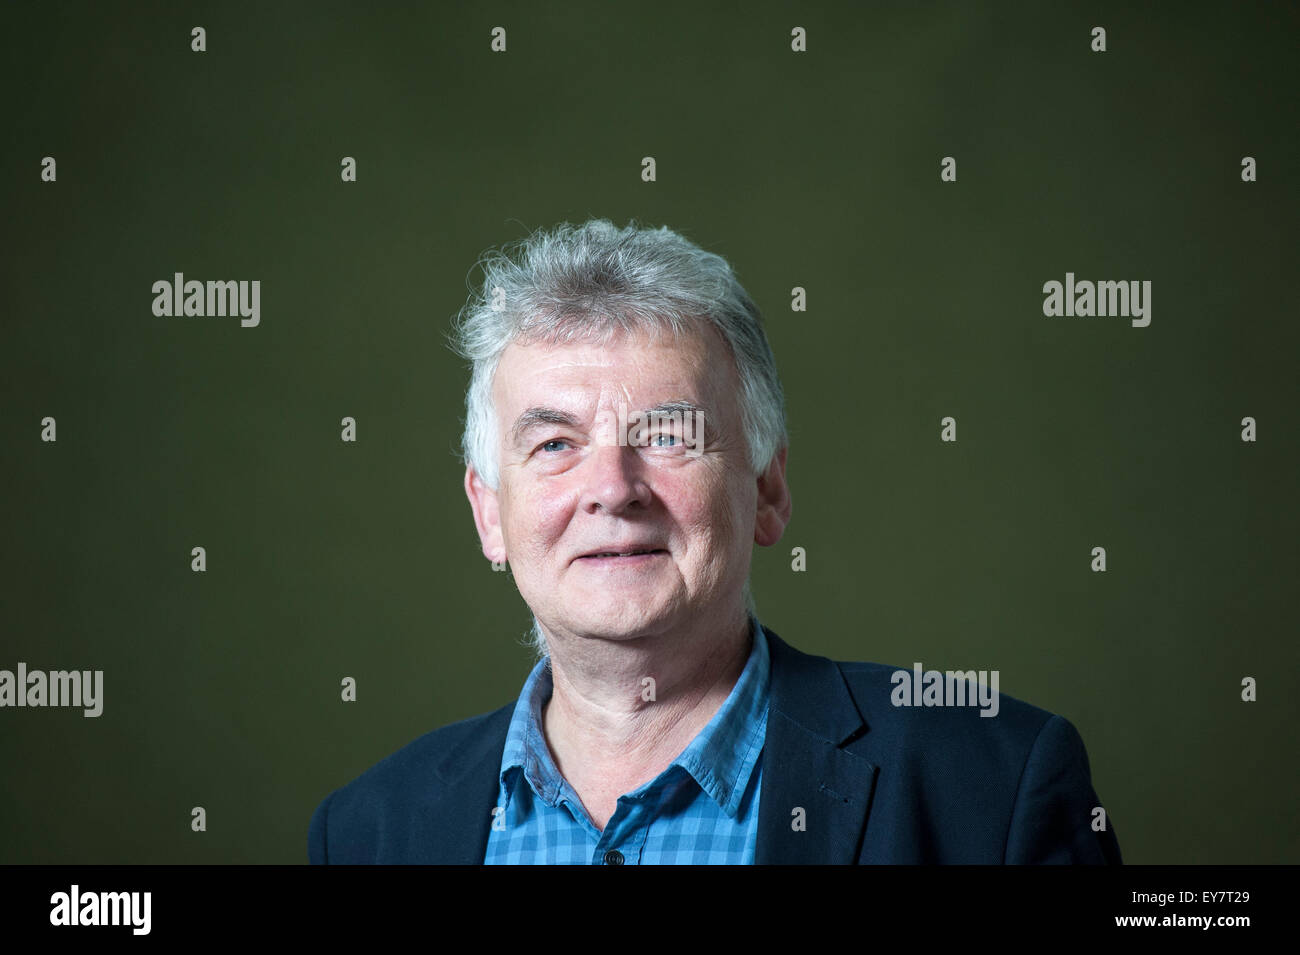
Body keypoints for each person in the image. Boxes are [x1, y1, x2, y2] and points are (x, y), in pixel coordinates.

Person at [308, 219, 1122, 864]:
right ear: (490, 514)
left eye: (667, 433)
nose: (612, 487)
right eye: (554, 444)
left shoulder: (993, 786)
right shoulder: (367, 833)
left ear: (767, 489)